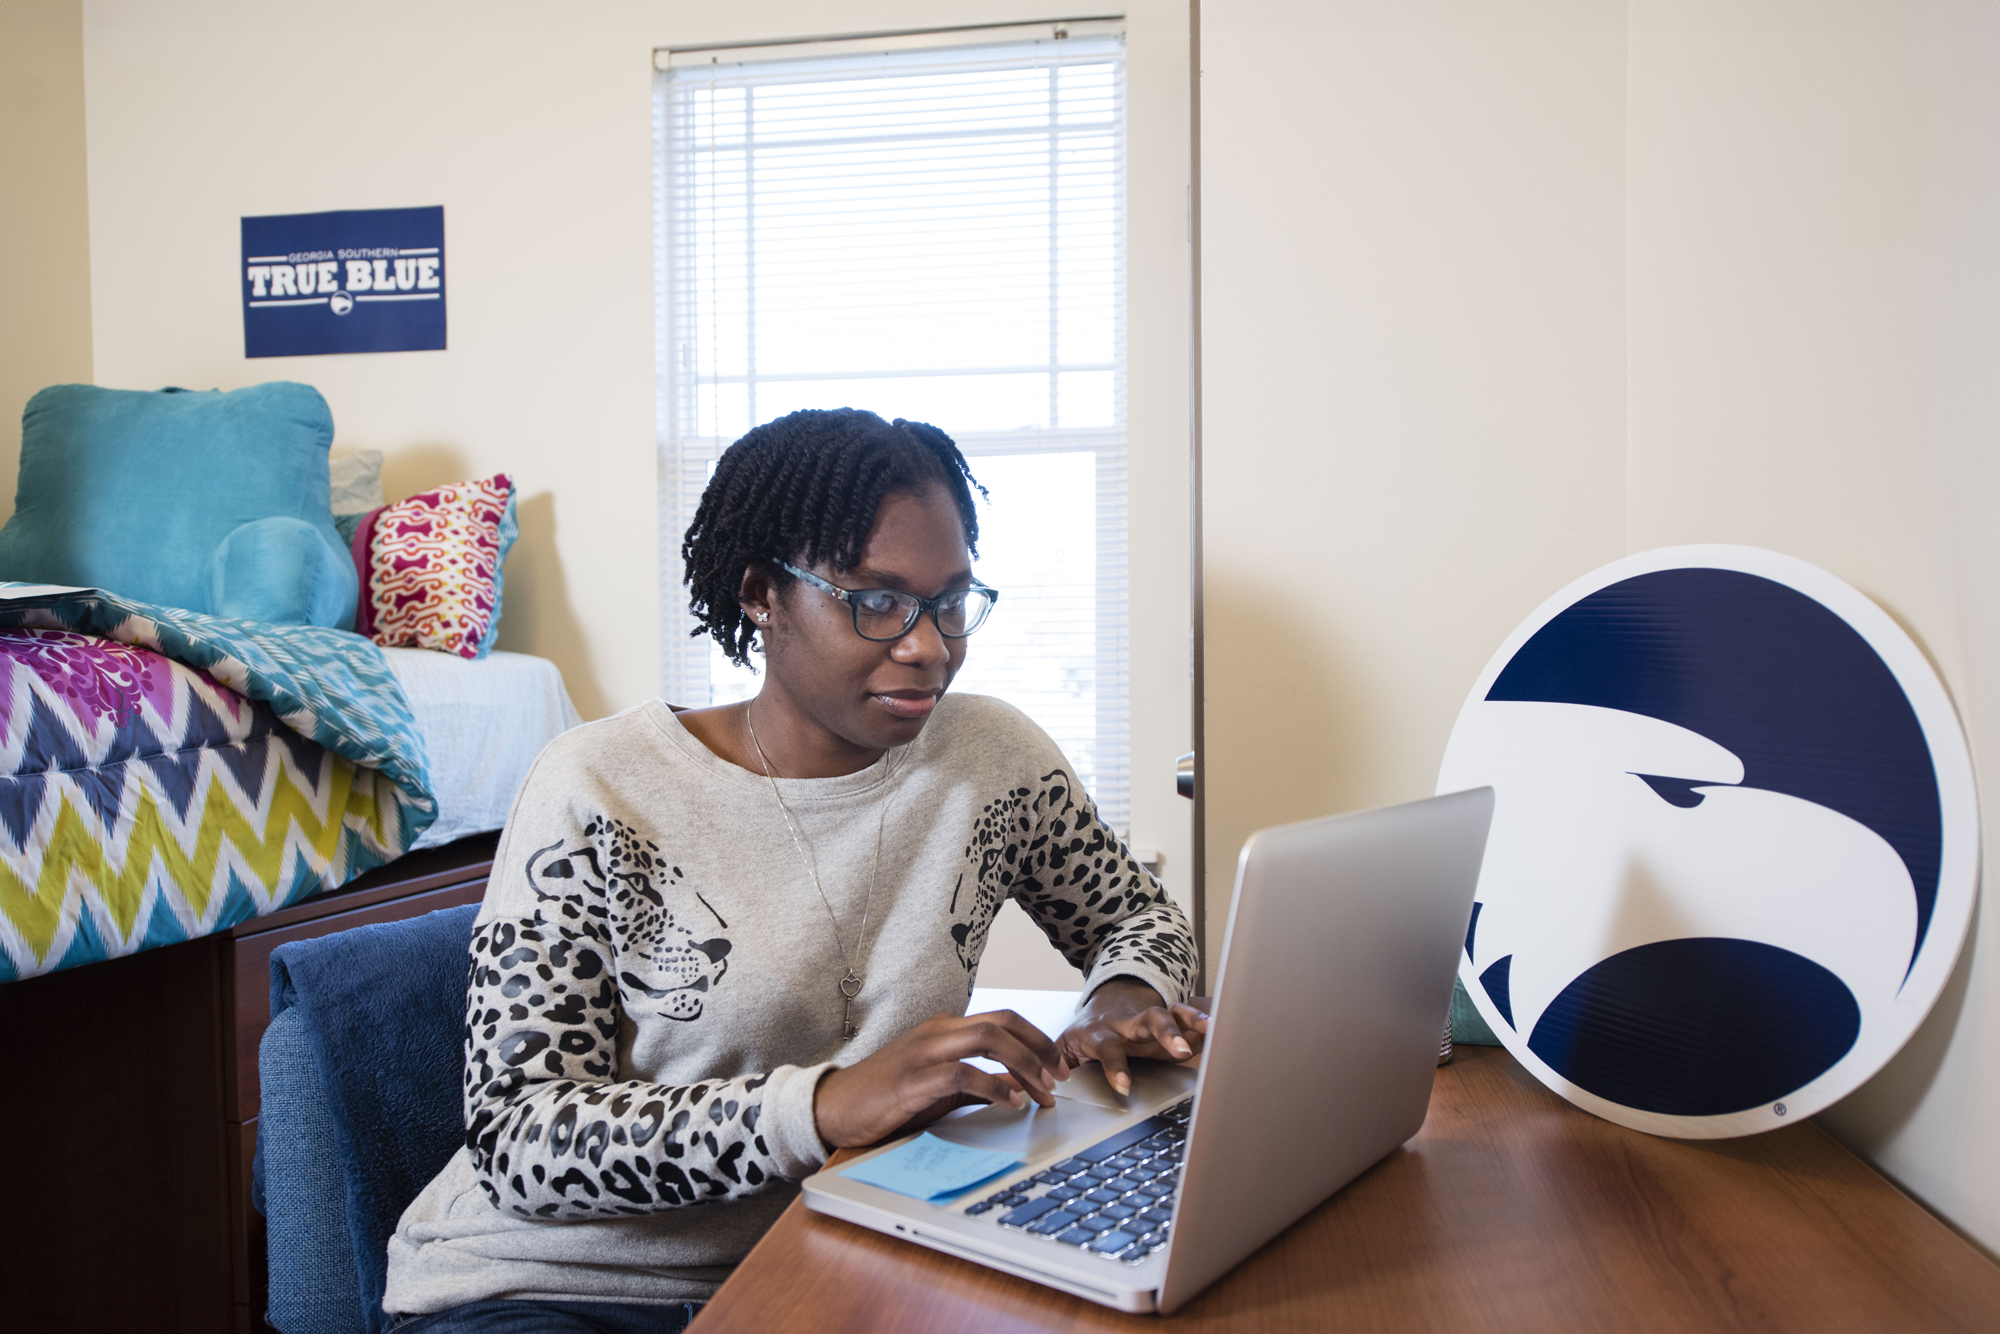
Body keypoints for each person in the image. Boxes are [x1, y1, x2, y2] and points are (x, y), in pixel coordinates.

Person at [382, 408, 1206, 1333]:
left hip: (842, 1249)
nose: (928, 644)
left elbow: (1141, 920)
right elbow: (519, 1141)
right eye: (877, 601)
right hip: (558, 1285)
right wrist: (824, 1106)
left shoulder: (991, 760)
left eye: (950, 602)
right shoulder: (598, 786)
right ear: (761, 594)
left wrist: (1123, 996)